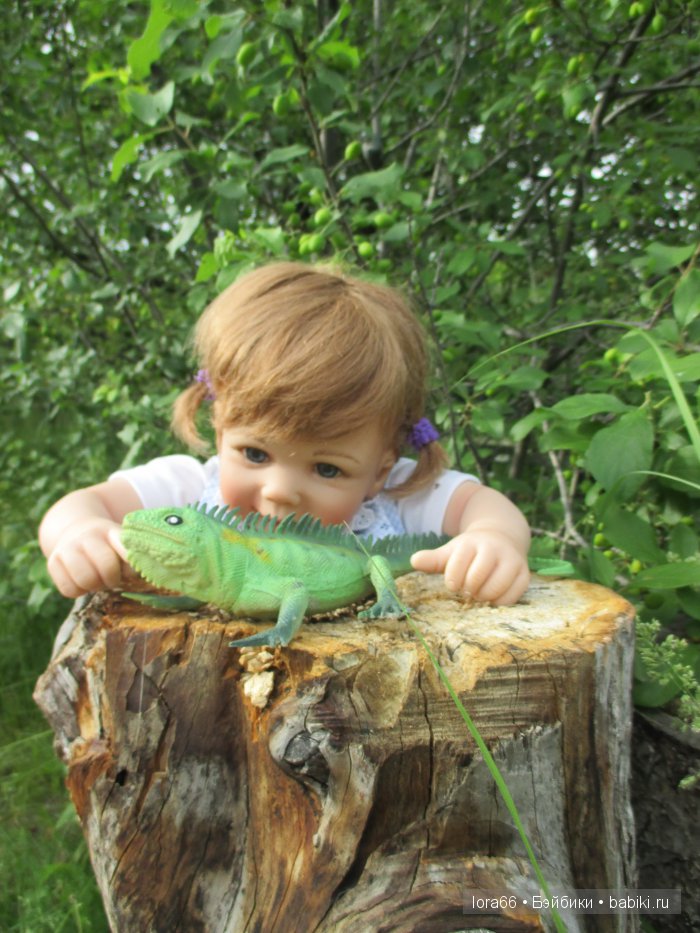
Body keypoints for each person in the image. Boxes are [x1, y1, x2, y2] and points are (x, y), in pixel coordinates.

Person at [39, 262, 531, 607]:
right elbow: (80, 506)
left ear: (381, 469)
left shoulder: (397, 496)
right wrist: (80, 534)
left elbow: (482, 505)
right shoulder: (191, 486)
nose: (279, 490)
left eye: (327, 468)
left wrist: (493, 538)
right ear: (220, 425)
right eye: (255, 453)